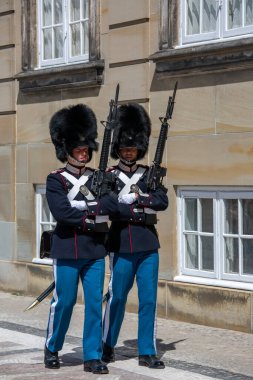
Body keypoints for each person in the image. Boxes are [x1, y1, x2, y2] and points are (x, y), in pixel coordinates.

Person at [44, 104, 117, 374]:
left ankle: (92, 355)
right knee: (64, 302)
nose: (84, 153)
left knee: (94, 304)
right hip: (66, 249)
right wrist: (91, 211)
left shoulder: (100, 177)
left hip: (95, 250)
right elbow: (61, 212)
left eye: (86, 150)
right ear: (68, 151)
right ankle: (52, 346)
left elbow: (111, 207)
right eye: (79, 150)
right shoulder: (56, 179)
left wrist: (86, 209)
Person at [102, 103, 168, 369]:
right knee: (117, 297)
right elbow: (109, 205)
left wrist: (138, 198)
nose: (129, 151)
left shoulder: (148, 175)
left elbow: (162, 201)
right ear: (118, 149)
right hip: (120, 243)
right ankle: (107, 344)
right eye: (125, 148)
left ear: (139, 149)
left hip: (148, 245)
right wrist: (140, 209)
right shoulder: (108, 176)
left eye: (133, 148)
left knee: (149, 299)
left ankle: (147, 350)